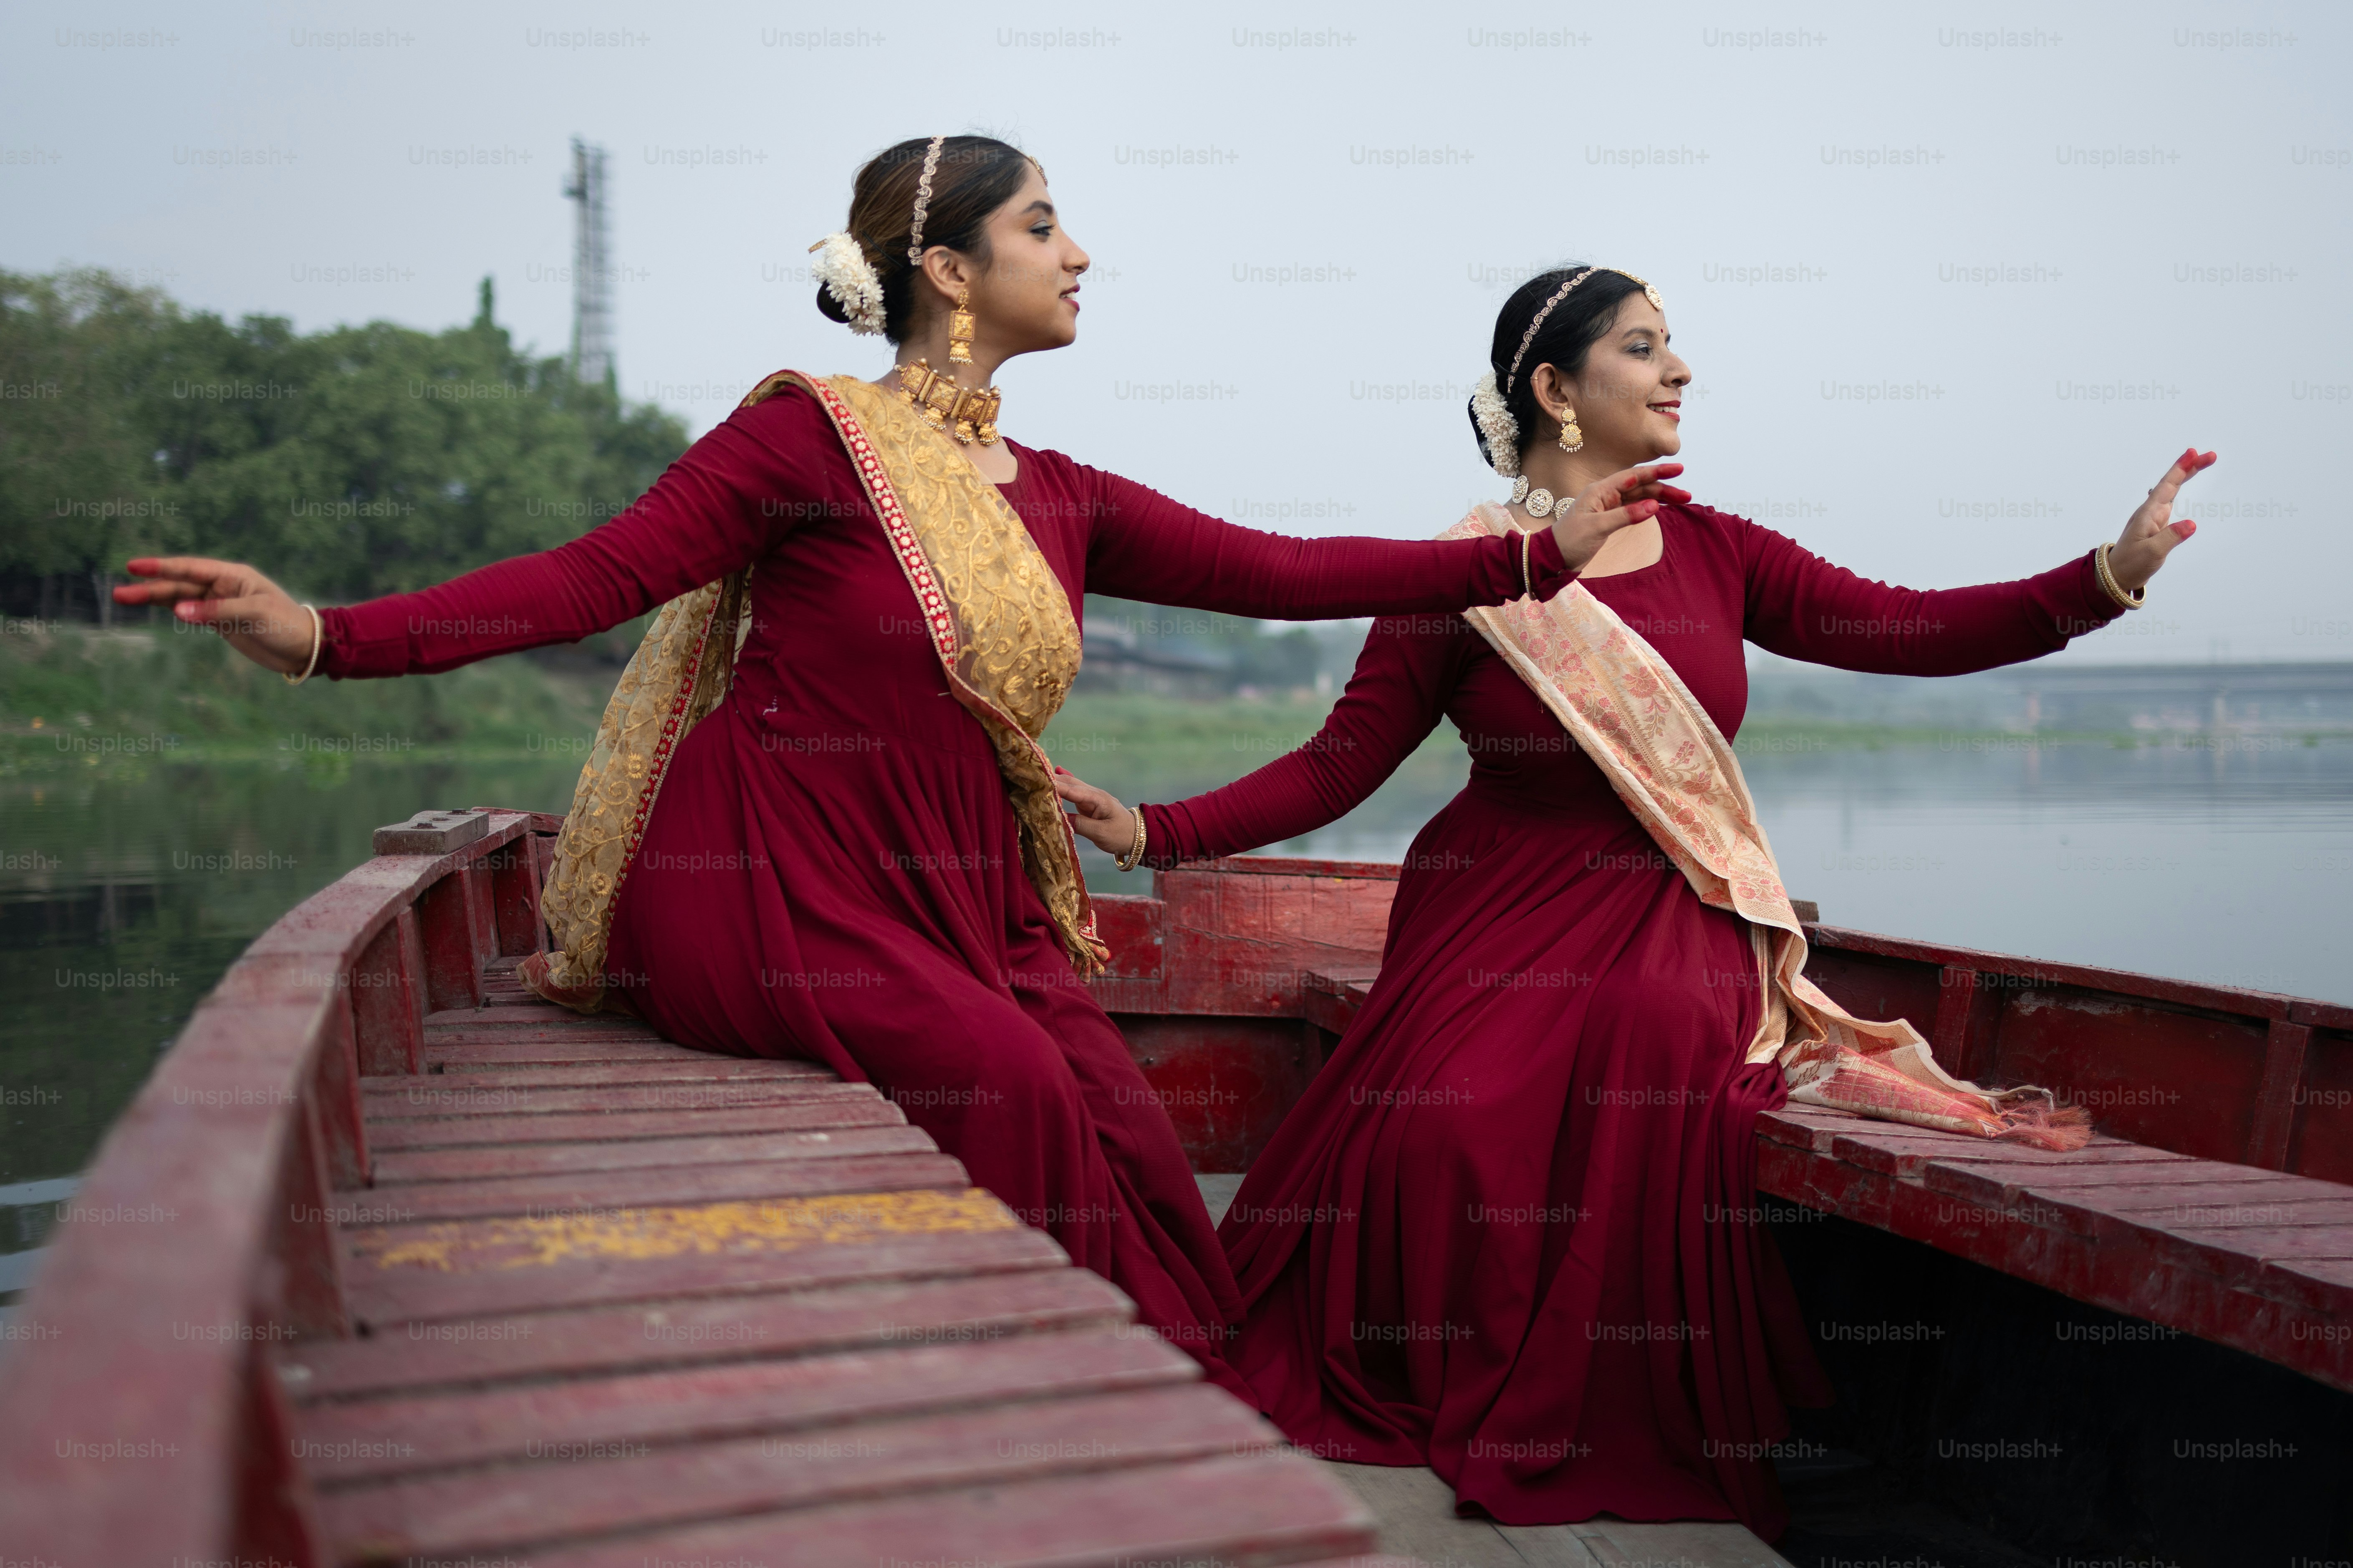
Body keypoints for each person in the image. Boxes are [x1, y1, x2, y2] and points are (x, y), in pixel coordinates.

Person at [108, 141, 1686, 1403]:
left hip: (968, 890)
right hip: (769, 881)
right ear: (946, 267)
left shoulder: (1061, 493)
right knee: (1003, 1087)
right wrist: (320, 633)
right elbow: (589, 580)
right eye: (1047, 226)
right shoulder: (807, 445)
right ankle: (1087, 1427)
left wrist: (1537, 560)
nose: (1080, 255)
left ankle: (1159, 1409)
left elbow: (1287, 566)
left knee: (1124, 1129)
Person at [1052, 263, 2211, 1528]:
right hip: (1492, 913)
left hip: (1672, 910)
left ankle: (1605, 1392)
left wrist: (2106, 575)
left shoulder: (1721, 550)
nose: (1682, 371)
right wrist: (1155, 829)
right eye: (1646, 348)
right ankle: (1428, 1370)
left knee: (1655, 1041)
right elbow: (1340, 765)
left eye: (1675, 348)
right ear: (1555, 389)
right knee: (1441, 1116)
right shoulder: (1466, 573)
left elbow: (1908, 629)